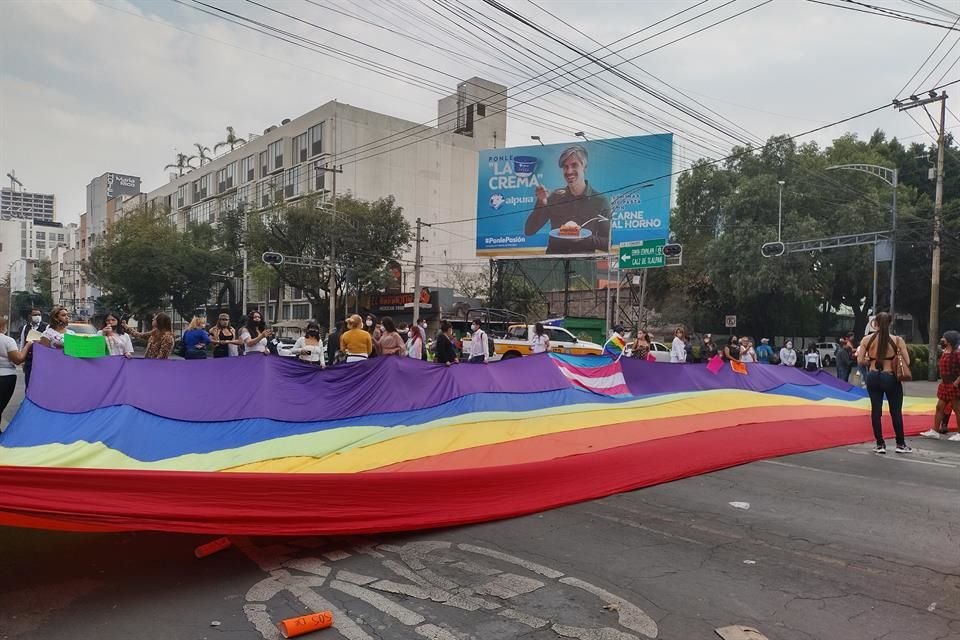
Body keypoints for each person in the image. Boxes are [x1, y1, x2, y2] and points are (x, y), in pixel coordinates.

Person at [524, 145, 612, 255]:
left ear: (584, 167)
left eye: (574, 165)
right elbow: (529, 230)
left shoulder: (600, 201)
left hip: (583, 266)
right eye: (565, 167)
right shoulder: (554, 197)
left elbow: (608, 244)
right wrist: (542, 202)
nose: (569, 171)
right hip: (554, 266)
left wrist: (583, 238)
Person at [858, 312, 912, 454]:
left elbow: (860, 360)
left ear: (875, 323)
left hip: (873, 376)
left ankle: (880, 444)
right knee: (896, 412)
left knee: (876, 411)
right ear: (890, 323)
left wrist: (871, 361)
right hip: (890, 377)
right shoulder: (897, 340)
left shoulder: (867, 340)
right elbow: (907, 361)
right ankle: (900, 444)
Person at [920, 330, 960, 441]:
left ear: (950, 341)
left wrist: (956, 383)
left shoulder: (957, 354)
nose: (942, 339)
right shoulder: (945, 351)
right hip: (945, 385)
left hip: (954, 385)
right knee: (939, 407)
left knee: (957, 409)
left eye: (944, 338)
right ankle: (935, 431)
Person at [0, 317, 32, 425]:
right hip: (6, 377)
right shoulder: (7, 341)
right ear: (3, 327)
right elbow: (18, 359)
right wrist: (27, 346)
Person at [18, 308, 47, 390]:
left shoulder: (46, 327)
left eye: (39, 314)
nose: (37, 316)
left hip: (41, 359)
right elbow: (22, 343)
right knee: (28, 382)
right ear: (30, 316)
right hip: (29, 359)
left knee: (40, 383)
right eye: (35, 315)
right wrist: (22, 359)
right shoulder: (25, 327)